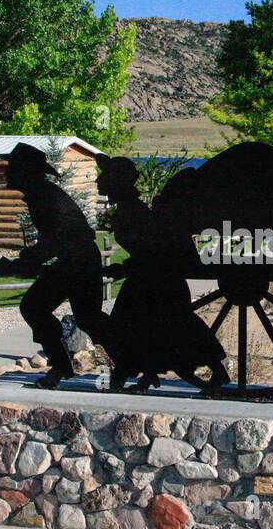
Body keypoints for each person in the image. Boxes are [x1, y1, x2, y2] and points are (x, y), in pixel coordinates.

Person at [96, 154, 229, 393]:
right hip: (148, 279)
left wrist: (125, 267)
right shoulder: (130, 209)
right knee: (144, 327)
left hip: (158, 281)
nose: (98, 182)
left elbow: (152, 249)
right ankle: (144, 376)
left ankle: (215, 372)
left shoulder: (133, 212)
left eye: (105, 178)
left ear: (118, 182)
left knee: (161, 324)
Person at [0, 143, 114, 388]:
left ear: (25, 171)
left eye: (12, 167)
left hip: (78, 260)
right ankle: (64, 366)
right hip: (74, 258)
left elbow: (58, 238)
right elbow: (55, 240)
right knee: (75, 315)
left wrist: (25, 261)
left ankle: (121, 360)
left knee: (49, 310)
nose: (7, 172)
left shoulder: (43, 196)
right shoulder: (40, 193)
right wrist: (28, 261)